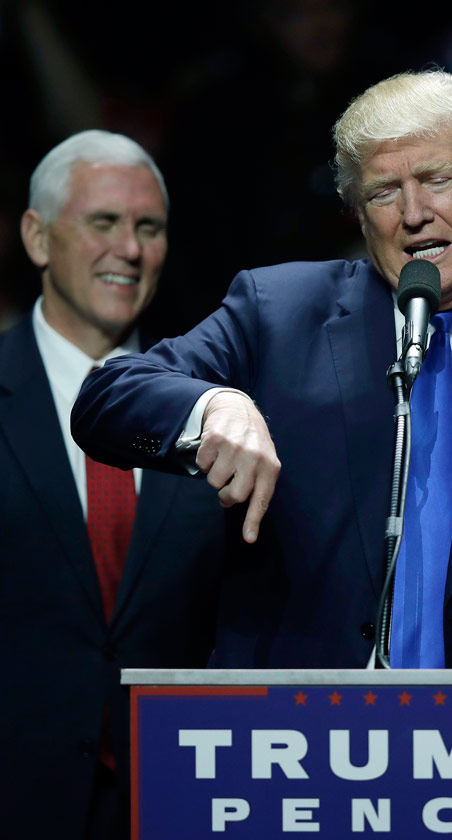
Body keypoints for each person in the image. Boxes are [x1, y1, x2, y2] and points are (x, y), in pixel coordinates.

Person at [72, 71, 452, 775]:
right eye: (383, 192)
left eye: (437, 178)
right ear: (358, 215)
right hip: (298, 752)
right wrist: (211, 405)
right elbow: (108, 399)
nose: (414, 213)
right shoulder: (279, 312)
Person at [0, 130, 226, 840]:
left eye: (148, 227)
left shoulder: (218, 408)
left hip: (177, 798)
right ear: (37, 238)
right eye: (103, 222)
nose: (129, 249)